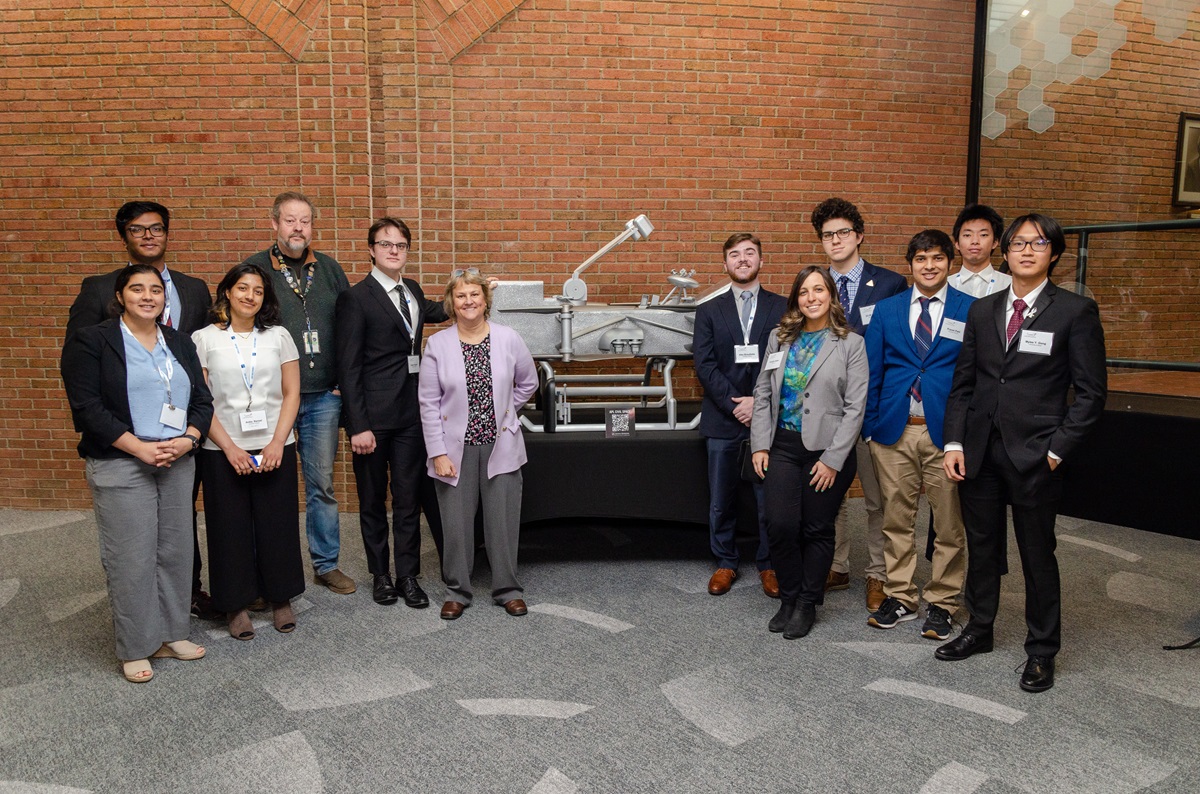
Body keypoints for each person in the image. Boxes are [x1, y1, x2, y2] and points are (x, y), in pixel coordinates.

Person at [939, 213, 1107, 693]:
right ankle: (980, 628)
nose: (1026, 250)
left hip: (1037, 455)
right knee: (983, 546)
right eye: (1018, 243)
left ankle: (1042, 650)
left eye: (1038, 243)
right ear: (1005, 252)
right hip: (979, 452)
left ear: (1054, 253)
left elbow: (1092, 395)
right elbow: (964, 383)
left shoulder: (1074, 312)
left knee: (1037, 553)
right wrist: (954, 442)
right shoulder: (983, 309)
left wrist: (1057, 450)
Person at [61, 264, 214, 683]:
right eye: (137, 289)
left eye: (155, 290)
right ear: (120, 295)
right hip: (122, 462)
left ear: (165, 299)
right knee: (132, 557)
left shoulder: (181, 343)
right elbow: (87, 408)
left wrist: (189, 439)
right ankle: (135, 645)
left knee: (176, 552)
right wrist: (140, 448)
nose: (148, 296)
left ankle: (171, 632)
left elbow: (202, 399)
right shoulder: (94, 340)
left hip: (177, 461)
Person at [242, 192, 356, 596]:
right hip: (273, 401)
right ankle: (269, 569)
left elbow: (349, 324)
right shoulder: (255, 268)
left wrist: (344, 379)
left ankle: (326, 564)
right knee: (270, 488)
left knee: (321, 484)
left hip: (324, 397)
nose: (297, 229)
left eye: (305, 221)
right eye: (290, 221)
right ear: (274, 223)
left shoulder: (327, 269)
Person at [863, 230, 973, 641]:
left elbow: (973, 377)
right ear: (909, 264)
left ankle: (943, 602)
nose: (929, 265)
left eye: (938, 258)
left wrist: (966, 436)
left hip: (947, 436)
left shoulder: (971, 309)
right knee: (896, 519)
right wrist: (871, 427)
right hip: (893, 432)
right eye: (921, 258)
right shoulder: (886, 310)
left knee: (948, 525)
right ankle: (901, 595)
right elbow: (873, 372)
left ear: (951, 261)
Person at [749, 266, 868, 640]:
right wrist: (760, 444)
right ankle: (788, 595)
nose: (811, 297)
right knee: (780, 525)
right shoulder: (779, 338)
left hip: (828, 449)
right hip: (783, 444)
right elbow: (764, 393)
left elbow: (855, 407)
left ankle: (806, 603)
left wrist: (833, 460)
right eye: (804, 291)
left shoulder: (850, 343)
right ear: (796, 299)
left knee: (817, 527)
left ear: (831, 296)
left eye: (819, 290)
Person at [336, 217, 447, 608]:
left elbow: (438, 310)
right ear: (371, 249)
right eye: (386, 244)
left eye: (401, 245)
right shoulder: (356, 297)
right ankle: (380, 576)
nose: (394, 250)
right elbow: (347, 368)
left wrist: (478, 292)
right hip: (372, 419)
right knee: (370, 501)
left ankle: (408, 576)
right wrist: (357, 425)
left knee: (407, 500)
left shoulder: (411, 290)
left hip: (411, 415)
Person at [192, 264, 305, 640]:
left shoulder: (279, 336)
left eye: (257, 291)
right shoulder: (203, 339)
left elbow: (292, 393)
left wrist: (277, 441)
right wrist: (229, 447)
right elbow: (201, 401)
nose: (249, 296)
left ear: (265, 298)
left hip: (275, 444)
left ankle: (280, 597)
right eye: (242, 288)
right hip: (221, 447)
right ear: (227, 291)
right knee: (228, 526)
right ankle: (235, 604)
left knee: (278, 522)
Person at [418, 271, 538, 621]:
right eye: (460, 296)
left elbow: (528, 383)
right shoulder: (438, 345)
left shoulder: (508, 338)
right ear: (451, 303)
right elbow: (428, 402)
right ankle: (458, 591)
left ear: (486, 300)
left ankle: (508, 590)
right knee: (456, 525)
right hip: (455, 449)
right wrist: (437, 453)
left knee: (502, 523)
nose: (468, 301)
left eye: (474, 294)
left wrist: (506, 411)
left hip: (501, 444)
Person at [810, 197, 907, 612]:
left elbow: (898, 349)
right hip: (828, 411)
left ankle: (879, 575)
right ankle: (837, 564)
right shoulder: (815, 287)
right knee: (827, 491)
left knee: (876, 497)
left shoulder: (890, 285)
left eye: (842, 233)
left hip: (872, 409)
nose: (835, 240)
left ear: (859, 236)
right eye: (827, 235)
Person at [692, 233, 787, 598]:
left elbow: (786, 362)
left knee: (770, 498)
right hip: (722, 418)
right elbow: (705, 365)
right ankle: (726, 562)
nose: (743, 259)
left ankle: (769, 564)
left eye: (750, 253)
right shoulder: (709, 310)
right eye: (735, 254)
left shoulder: (783, 307)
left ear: (761, 261)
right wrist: (736, 404)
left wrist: (757, 403)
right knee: (722, 498)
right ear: (726, 263)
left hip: (769, 418)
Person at [948, 204, 1011, 298]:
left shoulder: (1010, 286)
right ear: (957, 243)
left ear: (995, 242)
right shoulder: (945, 285)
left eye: (983, 235)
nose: (975, 241)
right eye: (967, 235)